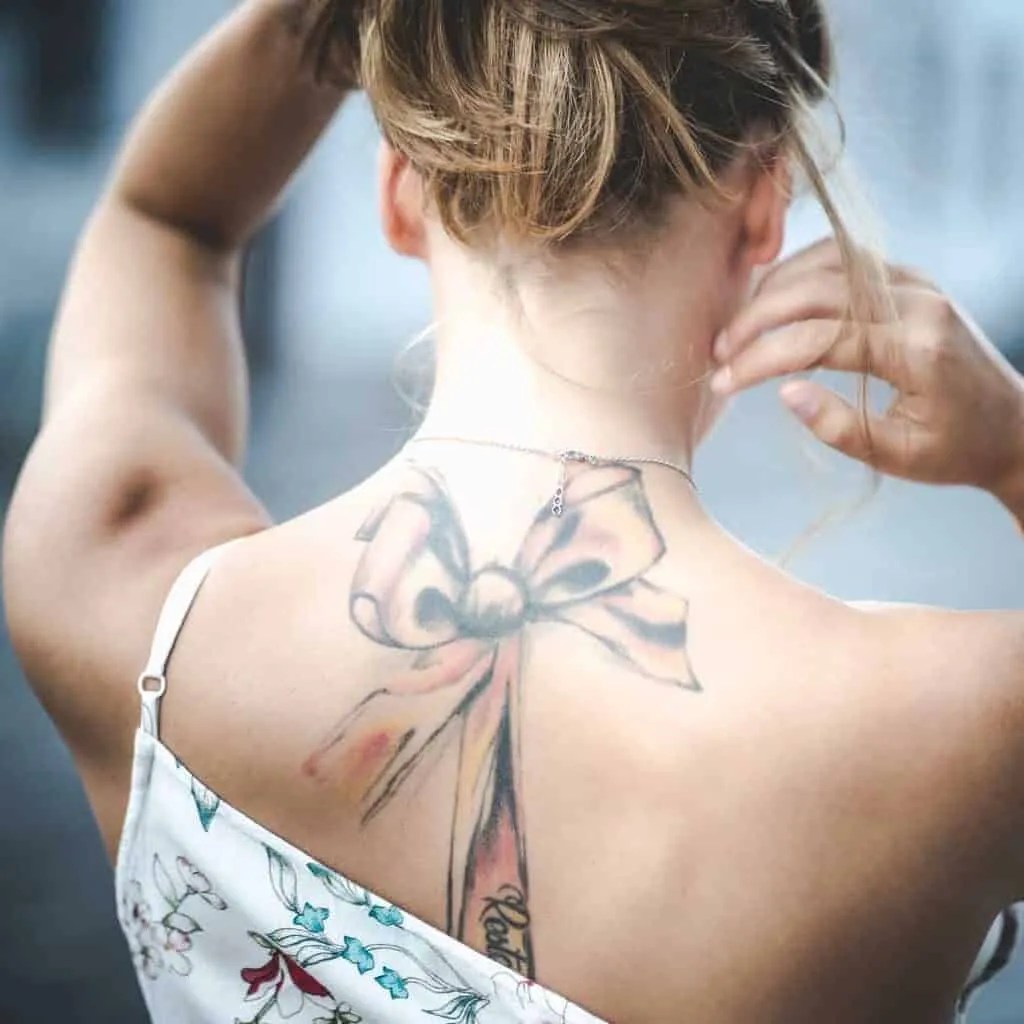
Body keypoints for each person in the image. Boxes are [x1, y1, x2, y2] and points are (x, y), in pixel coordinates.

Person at [3, 1, 1024, 1021]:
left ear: (398, 193)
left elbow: (167, 218)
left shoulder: (119, 581)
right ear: (765, 205)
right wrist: (1014, 449)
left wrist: (323, 18)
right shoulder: (952, 726)